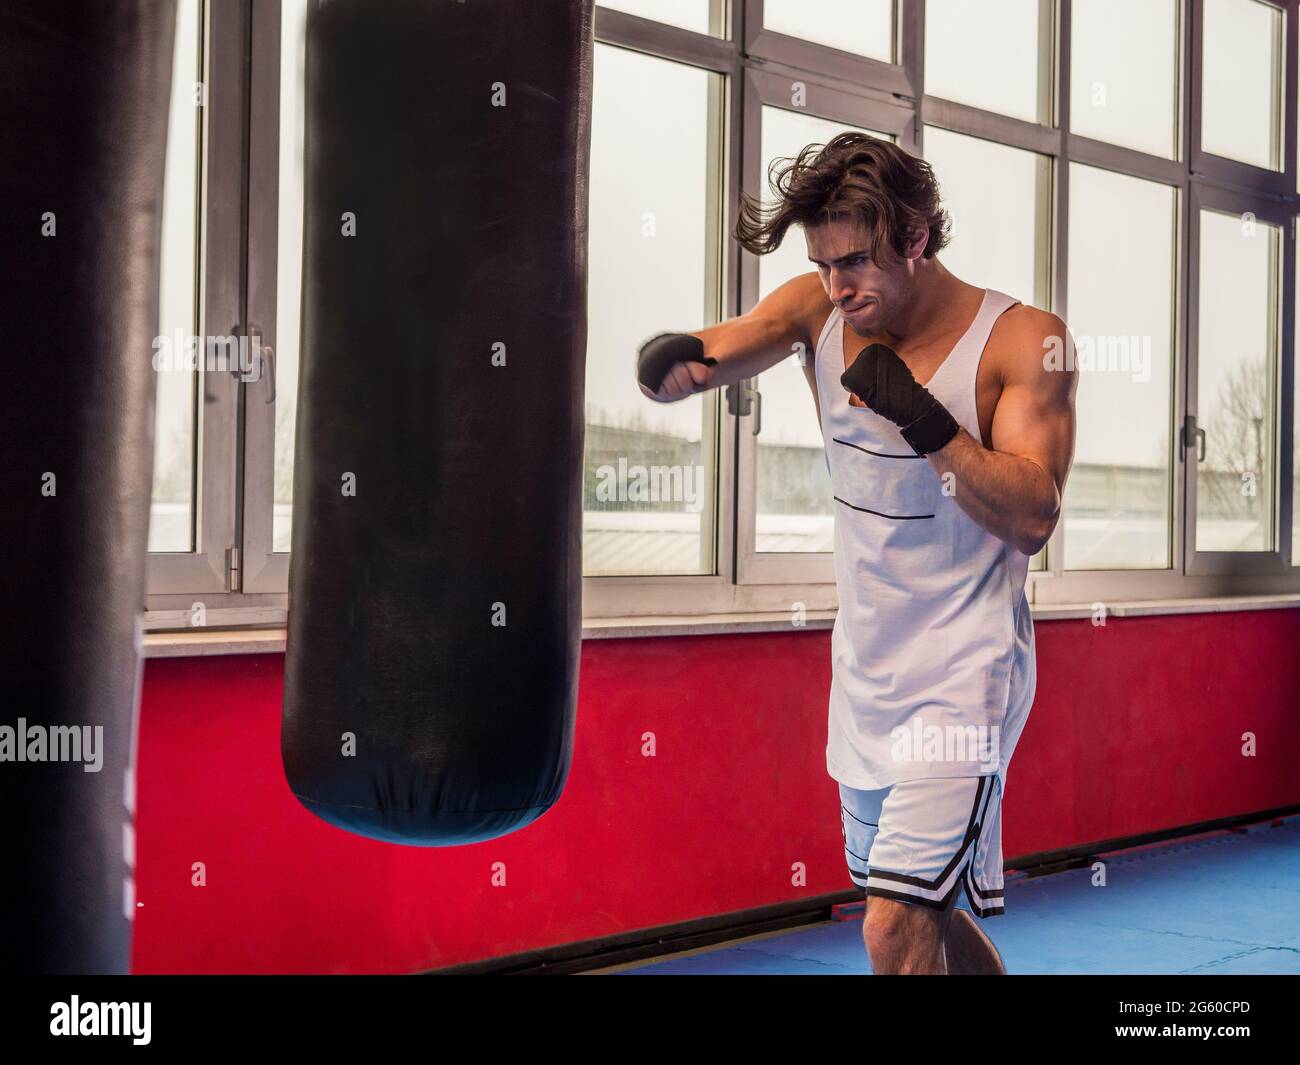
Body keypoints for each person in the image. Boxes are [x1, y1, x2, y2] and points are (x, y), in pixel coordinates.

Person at [636, 132, 1077, 975]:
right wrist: (680, 367)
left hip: (968, 674)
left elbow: (1033, 515)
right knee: (922, 913)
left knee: (890, 925)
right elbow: (737, 338)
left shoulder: (1020, 339)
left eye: (856, 262)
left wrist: (924, 418)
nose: (838, 286)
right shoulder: (820, 310)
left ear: (915, 237)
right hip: (868, 678)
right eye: (823, 263)